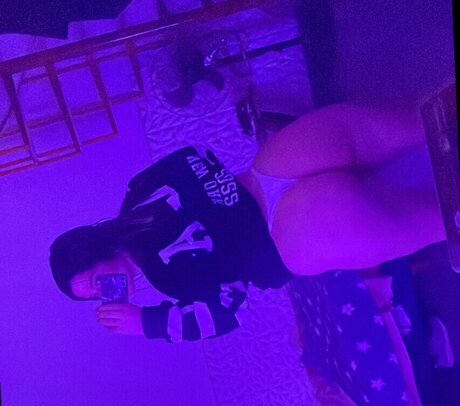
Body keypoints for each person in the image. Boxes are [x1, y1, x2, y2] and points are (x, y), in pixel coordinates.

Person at [49, 102, 447, 343]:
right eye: (95, 295)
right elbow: (226, 312)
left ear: (93, 250)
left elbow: (194, 156)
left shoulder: (138, 200)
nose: (103, 292)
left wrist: (147, 320)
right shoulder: (163, 270)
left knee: (401, 126)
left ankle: (437, 116)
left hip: (266, 178)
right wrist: (146, 322)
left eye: (94, 281)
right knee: (422, 214)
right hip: (279, 236)